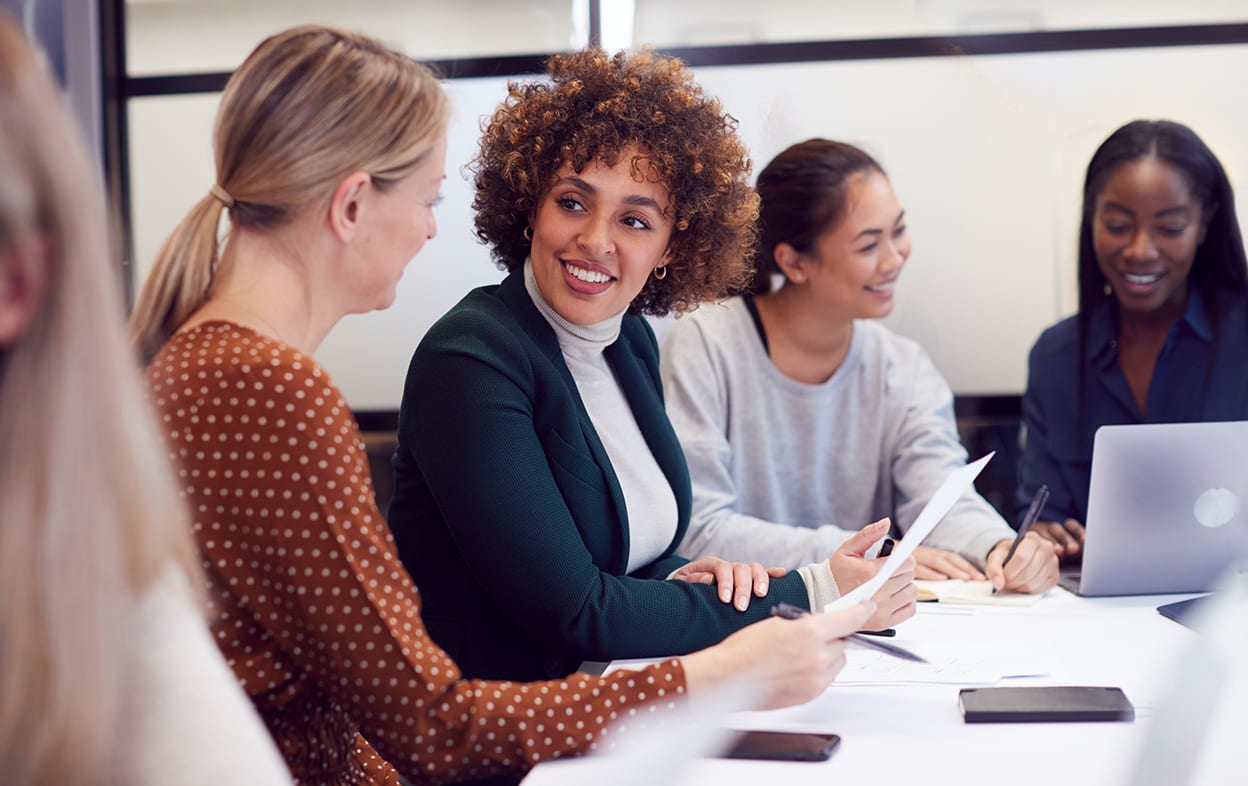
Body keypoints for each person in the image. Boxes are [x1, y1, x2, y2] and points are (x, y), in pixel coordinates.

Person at [129, 27, 872, 786]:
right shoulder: (269, 392)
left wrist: (687, 597)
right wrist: (712, 674)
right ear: (353, 204)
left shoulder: (223, 370)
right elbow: (434, 724)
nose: (428, 228)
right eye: (428, 198)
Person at [387, 52, 915, 695]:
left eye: (635, 219)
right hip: (503, 736)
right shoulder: (472, 361)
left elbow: (628, 552)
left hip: (619, 696)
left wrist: (698, 577)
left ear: (671, 247)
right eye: (572, 202)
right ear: (530, 206)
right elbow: (576, 609)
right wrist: (809, 589)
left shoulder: (628, 339)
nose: (596, 240)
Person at [0, 16, 291, 786]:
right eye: (428, 197)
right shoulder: (257, 376)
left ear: (13, 287)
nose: (432, 230)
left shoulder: (103, 605)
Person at [660, 138, 1060, 594]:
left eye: (899, 231)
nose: (894, 259)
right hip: (746, 616)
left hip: (871, 622)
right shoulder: (706, 343)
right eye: (869, 244)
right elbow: (701, 526)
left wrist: (1001, 547)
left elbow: (939, 496)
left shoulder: (903, 367)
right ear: (793, 261)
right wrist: (867, 554)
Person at [1018, 120, 1248, 561]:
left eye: (1169, 228)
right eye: (1117, 224)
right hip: (1086, 618)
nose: (1140, 250)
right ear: (1091, 220)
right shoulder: (1056, 358)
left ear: (1204, 226)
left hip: (1222, 612)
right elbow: (1036, 511)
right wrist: (1042, 539)